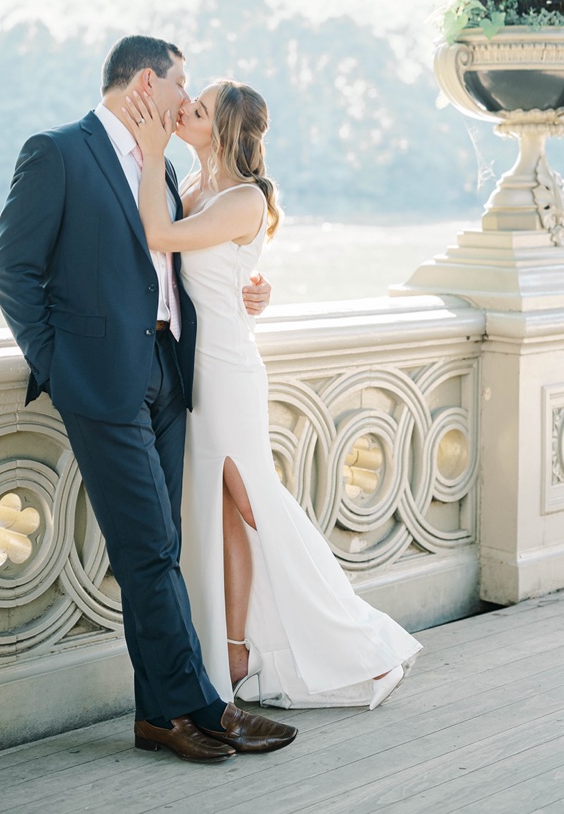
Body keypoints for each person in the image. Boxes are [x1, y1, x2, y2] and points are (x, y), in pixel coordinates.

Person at [0, 35, 294, 764]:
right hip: (99, 381)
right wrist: (59, 366)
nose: (186, 98)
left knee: (157, 549)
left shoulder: (161, 172)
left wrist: (243, 293)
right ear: (145, 82)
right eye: (179, 82)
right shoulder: (58, 151)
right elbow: (12, 269)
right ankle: (203, 706)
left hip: (169, 373)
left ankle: (160, 716)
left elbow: (181, 261)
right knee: (151, 549)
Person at [123, 78, 421, 710]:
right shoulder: (197, 187)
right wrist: (255, 289)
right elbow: (219, 273)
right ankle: (235, 651)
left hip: (229, 372)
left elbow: (158, 236)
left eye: (198, 110)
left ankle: (340, 634)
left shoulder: (242, 199)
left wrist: (151, 154)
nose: (184, 111)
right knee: (224, 511)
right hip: (195, 371)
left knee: (256, 505)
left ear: (224, 129)